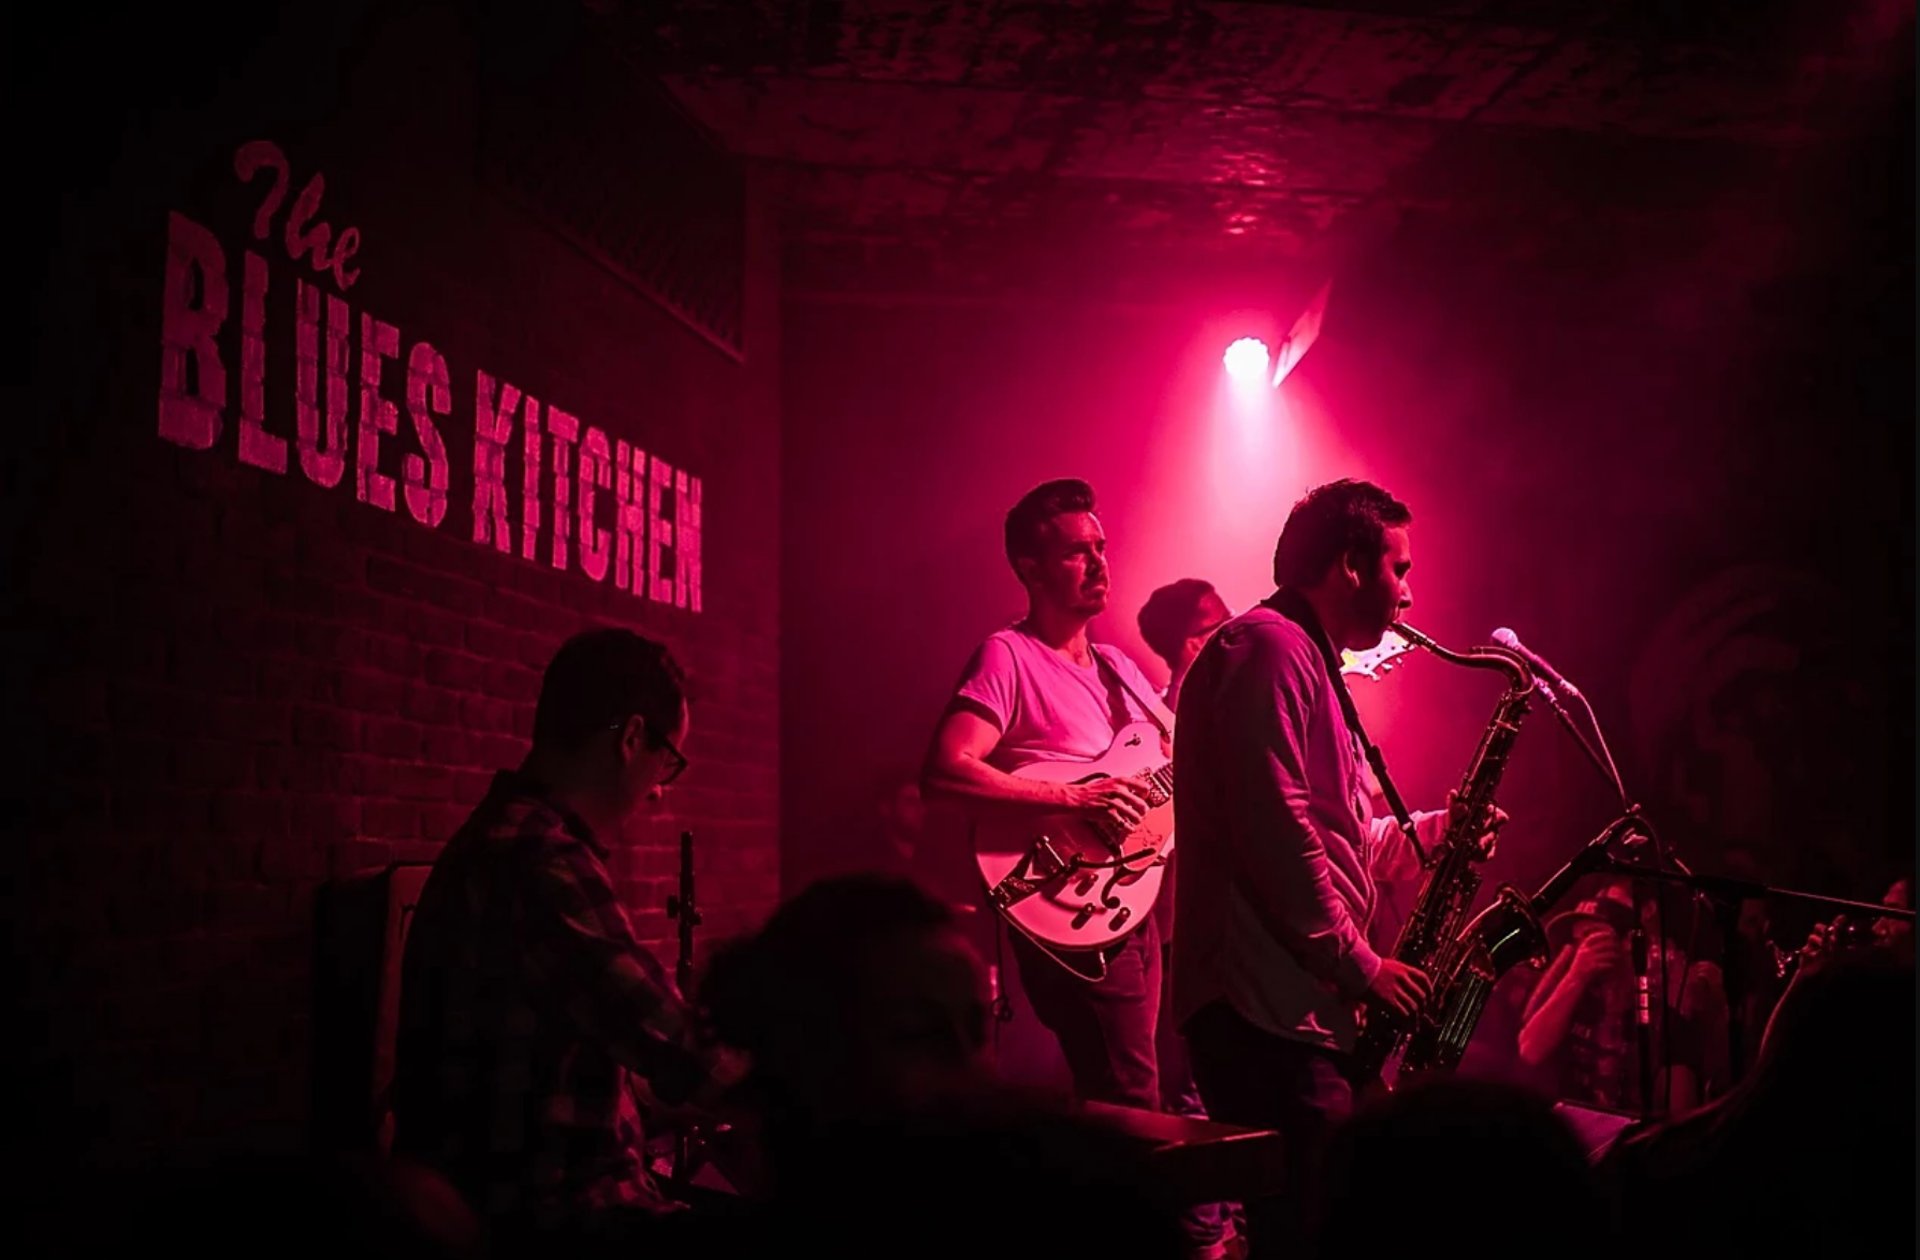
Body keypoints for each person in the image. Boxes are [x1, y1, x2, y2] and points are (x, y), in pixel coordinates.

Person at [1168, 478, 1502, 1260]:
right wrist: (1361, 964)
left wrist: (1441, 832)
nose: (1410, 596)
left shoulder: (1309, 662)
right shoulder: (1267, 647)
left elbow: (1340, 834)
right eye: (1400, 568)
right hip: (1263, 1012)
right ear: (1350, 565)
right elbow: (1274, 828)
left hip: (1299, 1008)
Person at [921, 479, 1228, 1258]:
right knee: (1132, 1098)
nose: (1098, 563)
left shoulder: (1123, 669)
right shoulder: (1008, 655)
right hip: (1073, 896)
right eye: (1075, 551)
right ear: (1030, 568)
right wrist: (1074, 796)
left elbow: (1168, 771)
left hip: (1143, 892)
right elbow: (946, 771)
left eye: (1101, 547)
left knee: (1152, 1087)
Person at [392, 627, 738, 1253]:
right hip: (555, 1220)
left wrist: (652, 1101)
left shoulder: (500, 835)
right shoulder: (541, 859)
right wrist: (810, 1095)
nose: (661, 788)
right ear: (632, 739)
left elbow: (560, 1056)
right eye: (669, 761)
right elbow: (680, 1046)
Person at [1138, 578, 1238, 1247]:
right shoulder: (1150, 726)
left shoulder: (1232, 711)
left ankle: (1230, 1225)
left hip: (1233, 930)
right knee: (1190, 1093)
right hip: (1179, 931)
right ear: (1187, 641)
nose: (1230, 633)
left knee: (1229, 1093)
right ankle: (1204, 1239)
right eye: (1215, 624)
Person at [1514, 876, 1724, 1118]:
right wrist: (1576, 977)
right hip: (1569, 1130)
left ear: (1627, 942)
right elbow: (1530, 1050)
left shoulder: (1659, 1004)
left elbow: (1680, 1110)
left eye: (1596, 936)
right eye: (1582, 937)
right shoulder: (1575, 988)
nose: (1585, 946)